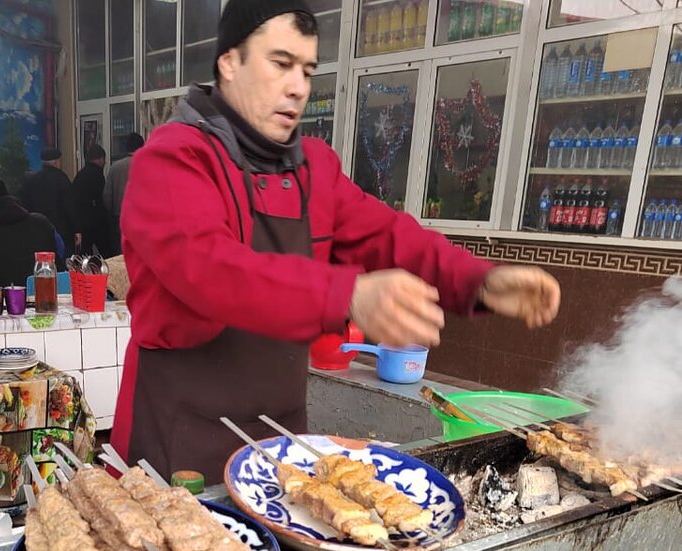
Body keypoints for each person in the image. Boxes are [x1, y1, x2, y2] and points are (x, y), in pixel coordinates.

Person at [112, 0, 560, 482]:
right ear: (229, 62)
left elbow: (387, 236)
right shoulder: (172, 160)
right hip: (178, 439)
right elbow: (211, 269)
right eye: (280, 63)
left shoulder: (312, 170)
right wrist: (346, 294)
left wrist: (478, 281)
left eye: (307, 70)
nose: (298, 87)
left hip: (278, 439)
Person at [18, 148, 78, 252]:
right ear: (57, 162)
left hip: (38, 231)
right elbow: (69, 207)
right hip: (61, 232)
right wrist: (77, 229)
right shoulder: (62, 179)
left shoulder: (31, 180)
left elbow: (25, 205)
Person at [103, 132, 144, 253]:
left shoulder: (115, 168)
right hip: (141, 220)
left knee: (121, 254)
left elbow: (107, 197)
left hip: (119, 220)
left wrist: (111, 216)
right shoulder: (147, 166)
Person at [72, 143, 112, 256]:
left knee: (85, 253)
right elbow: (102, 197)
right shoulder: (97, 174)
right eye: (104, 159)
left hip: (83, 222)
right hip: (97, 221)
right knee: (106, 252)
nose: (105, 163)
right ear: (100, 159)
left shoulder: (80, 175)